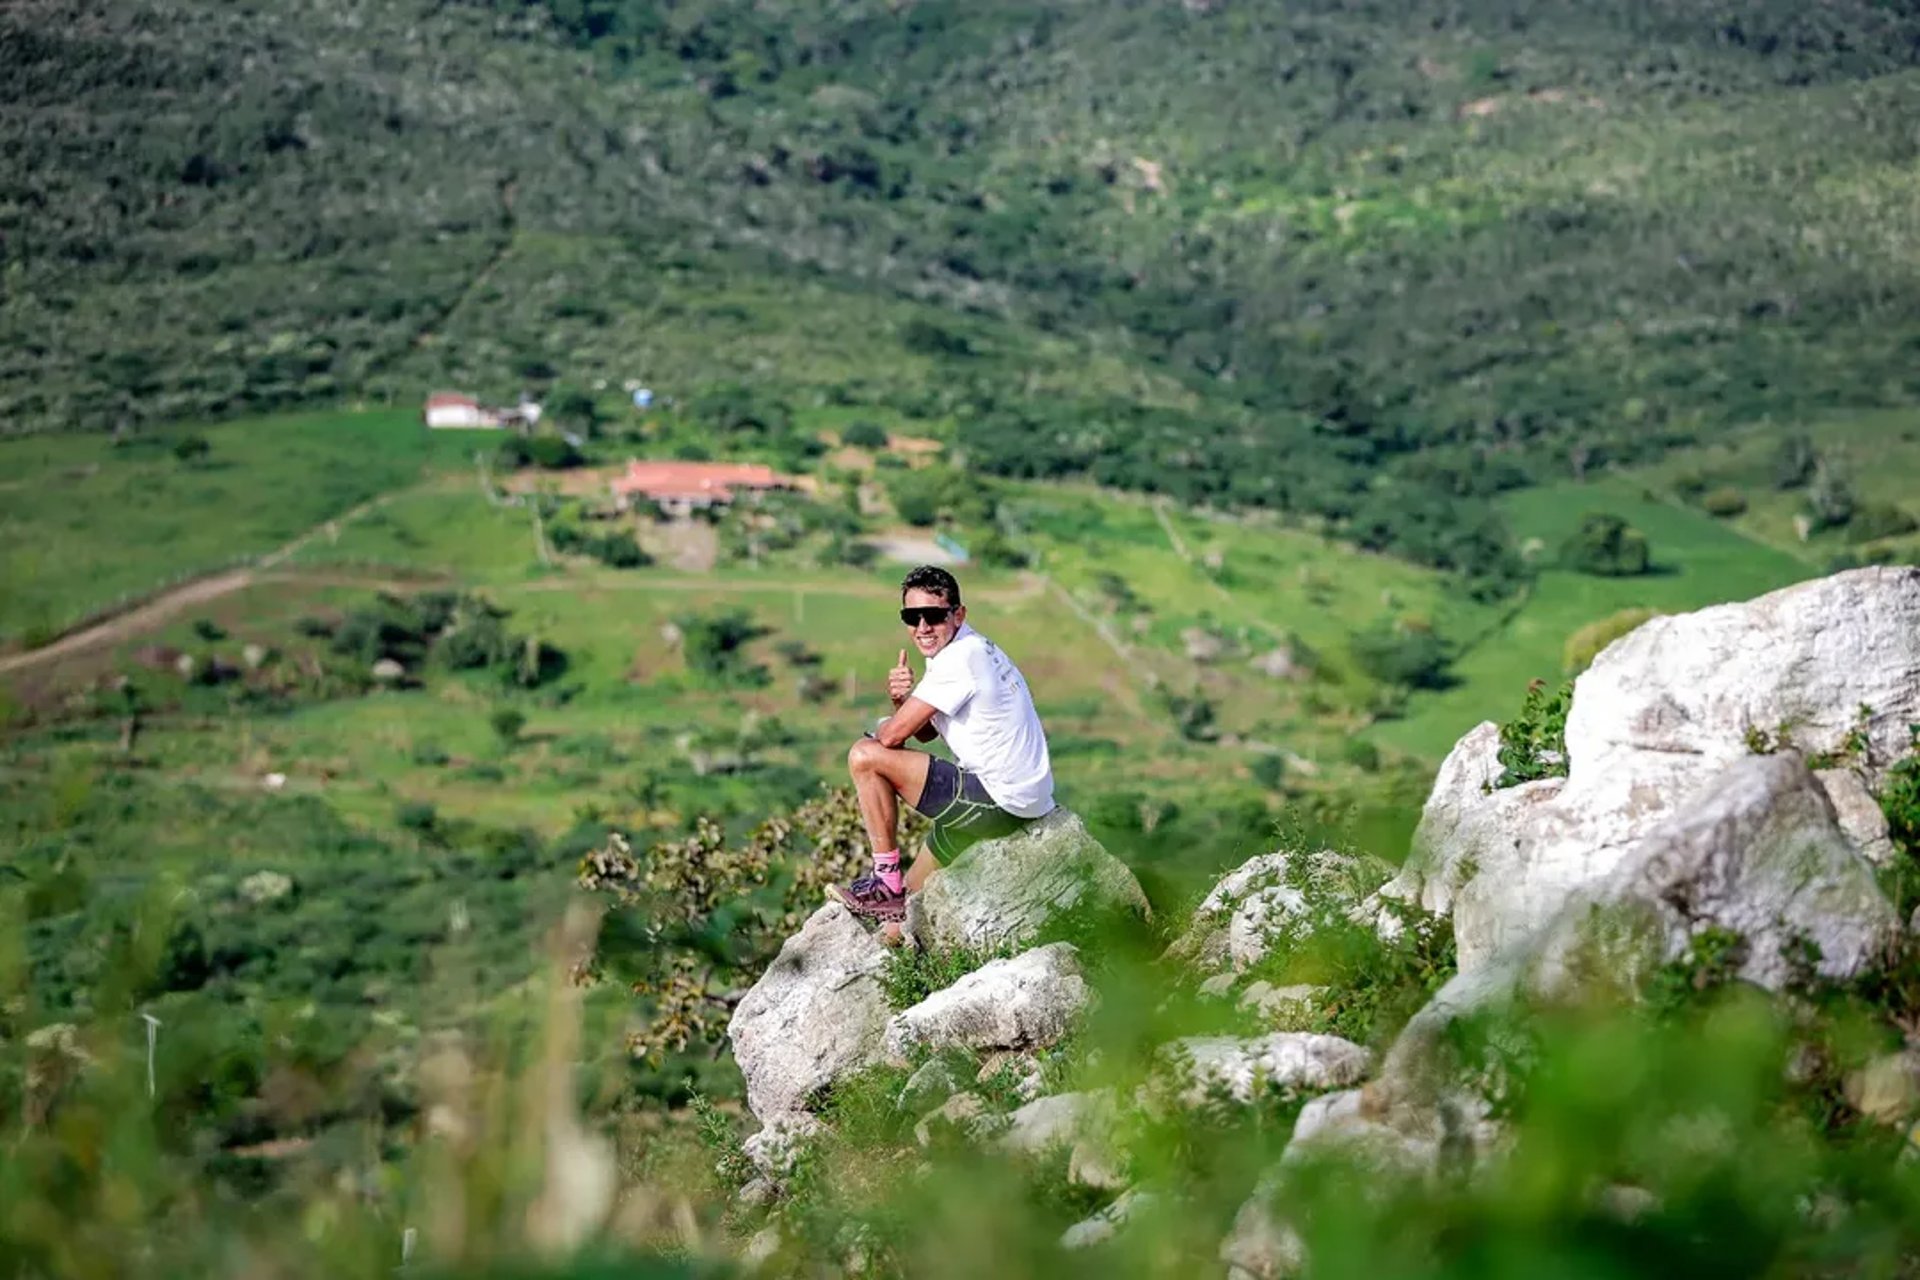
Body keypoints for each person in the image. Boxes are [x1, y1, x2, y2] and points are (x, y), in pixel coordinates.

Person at [829, 565, 1056, 922]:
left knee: (864, 756)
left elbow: (890, 738)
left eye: (933, 616)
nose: (922, 628)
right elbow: (928, 733)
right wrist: (903, 702)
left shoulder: (959, 659)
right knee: (903, 916)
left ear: (958, 614)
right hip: (1011, 797)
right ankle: (897, 919)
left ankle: (884, 883)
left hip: (998, 800)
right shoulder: (971, 646)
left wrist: (891, 720)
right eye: (912, 616)